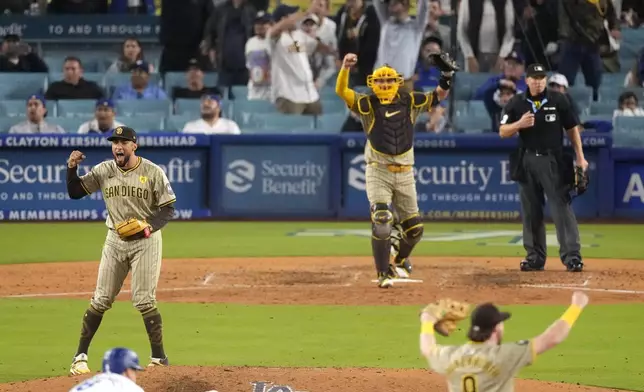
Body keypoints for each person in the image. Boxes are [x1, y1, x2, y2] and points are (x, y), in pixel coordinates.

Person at [335, 51, 457, 288]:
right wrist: (345, 68)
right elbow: (342, 91)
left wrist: (447, 74)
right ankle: (383, 272)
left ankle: (400, 260)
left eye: (389, 80)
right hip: (378, 169)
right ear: (373, 83)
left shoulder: (409, 100)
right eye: (380, 80)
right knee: (382, 218)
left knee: (415, 230)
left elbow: (438, 96)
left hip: (405, 172)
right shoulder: (366, 103)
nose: (384, 84)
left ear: (397, 82)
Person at [66, 126, 176, 375]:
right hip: (114, 240)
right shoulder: (104, 170)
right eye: (115, 142)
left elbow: (168, 209)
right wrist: (71, 167)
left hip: (146, 242)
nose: (118, 146)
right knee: (101, 298)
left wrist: (149, 227)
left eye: (124, 142)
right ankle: (79, 357)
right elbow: (74, 192)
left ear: (134, 146)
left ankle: (159, 358)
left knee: (144, 300)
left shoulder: (152, 172)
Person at [499, 63, 588, 272]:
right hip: (527, 159)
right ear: (527, 80)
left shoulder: (558, 99)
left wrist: (580, 157)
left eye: (541, 78)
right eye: (534, 78)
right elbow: (503, 131)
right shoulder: (517, 102)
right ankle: (534, 257)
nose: (538, 82)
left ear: (545, 80)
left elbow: (572, 129)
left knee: (561, 208)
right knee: (531, 211)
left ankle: (572, 257)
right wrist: (519, 124)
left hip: (553, 160)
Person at [419, 292, 589, 392]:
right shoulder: (504, 356)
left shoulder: (450, 356)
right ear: (496, 329)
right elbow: (552, 338)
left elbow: (428, 348)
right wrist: (576, 307)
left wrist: (427, 320)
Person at [69, 347, 145, 392]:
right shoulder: (129, 388)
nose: (135, 375)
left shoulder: (87, 383)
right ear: (127, 371)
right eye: (134, 370)